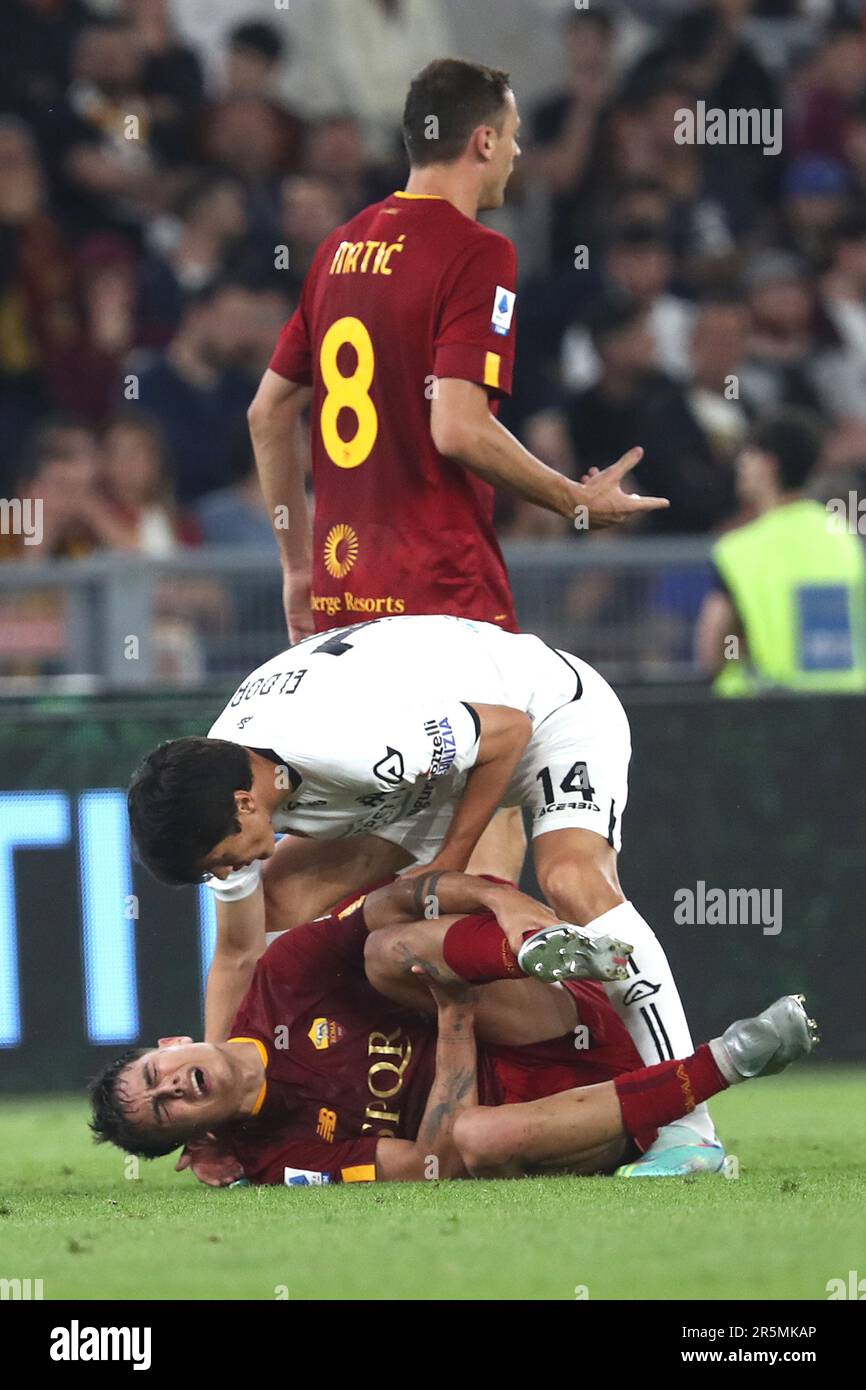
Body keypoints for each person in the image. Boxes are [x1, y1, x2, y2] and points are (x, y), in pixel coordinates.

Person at [247, 58, 667, 884]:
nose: (515, 155)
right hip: (441, 586)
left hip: (341, 593)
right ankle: (490, 1010)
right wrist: (574, 500)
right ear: (483, 139)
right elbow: (459, 427)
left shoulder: (341, 246)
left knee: (380, 835)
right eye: (512, 138)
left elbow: (268, 413)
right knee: (488, 837)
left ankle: (314, 992)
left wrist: (297, 564)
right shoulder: (478, 253)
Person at [129, 613, 722, 1175]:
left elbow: (506, 732)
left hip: (543, 716)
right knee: (278, 898)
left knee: (571, 879)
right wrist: (217, 1105)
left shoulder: (347, 749)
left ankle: (690, 1129)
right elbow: (237, 953)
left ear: (244, 806)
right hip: (430, 779)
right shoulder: (210, 788)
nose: (234, 869)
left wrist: (450, 863)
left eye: (224, 861)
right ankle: (508, 968)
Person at [87, 870, 817, 1183]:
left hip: (541, 1016)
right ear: (193, 1136)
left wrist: (504, 906)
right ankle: (737, 1056)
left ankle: (535, 947)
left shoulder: (283, 977)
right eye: (166, 1110)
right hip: (555, 1124)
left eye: (157, 1075)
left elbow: (400, 898)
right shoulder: (280, 1158)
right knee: (474, 1141)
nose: (174, 1087)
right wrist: (455, 1023)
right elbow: (432, 1165)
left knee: (386, 950)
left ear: (172, 1044)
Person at [696, 408, 866, 694]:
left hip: (767, 712)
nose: (740, 466)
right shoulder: (846, 537)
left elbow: (710, 654)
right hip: (847, 710)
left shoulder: (738, 549)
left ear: (768, 464)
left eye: (748, 456)